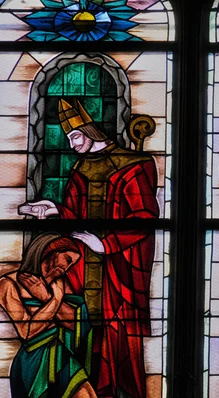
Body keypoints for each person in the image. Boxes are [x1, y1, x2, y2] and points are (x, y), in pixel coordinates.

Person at [18, 99, 159, 398]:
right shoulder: (82, 168)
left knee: (120, 335)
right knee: (85, 329)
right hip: (85, 266)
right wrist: (54, 210)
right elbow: (75, 214)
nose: (72, 144)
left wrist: (106, 244)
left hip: (119, 269)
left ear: (88, 130)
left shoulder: (134, 165)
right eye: (69, 139)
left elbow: (144, 218)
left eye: (74, 137)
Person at [0, 233, 95, 398]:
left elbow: (75, 323)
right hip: (33, 360)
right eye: (67, 259)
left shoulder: (60, 283)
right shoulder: (8, 284)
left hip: (60, 353)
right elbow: (27, 332)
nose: (67, 268)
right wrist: (55, 299)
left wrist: (45, 296)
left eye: (71, 265)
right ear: (52, 250)